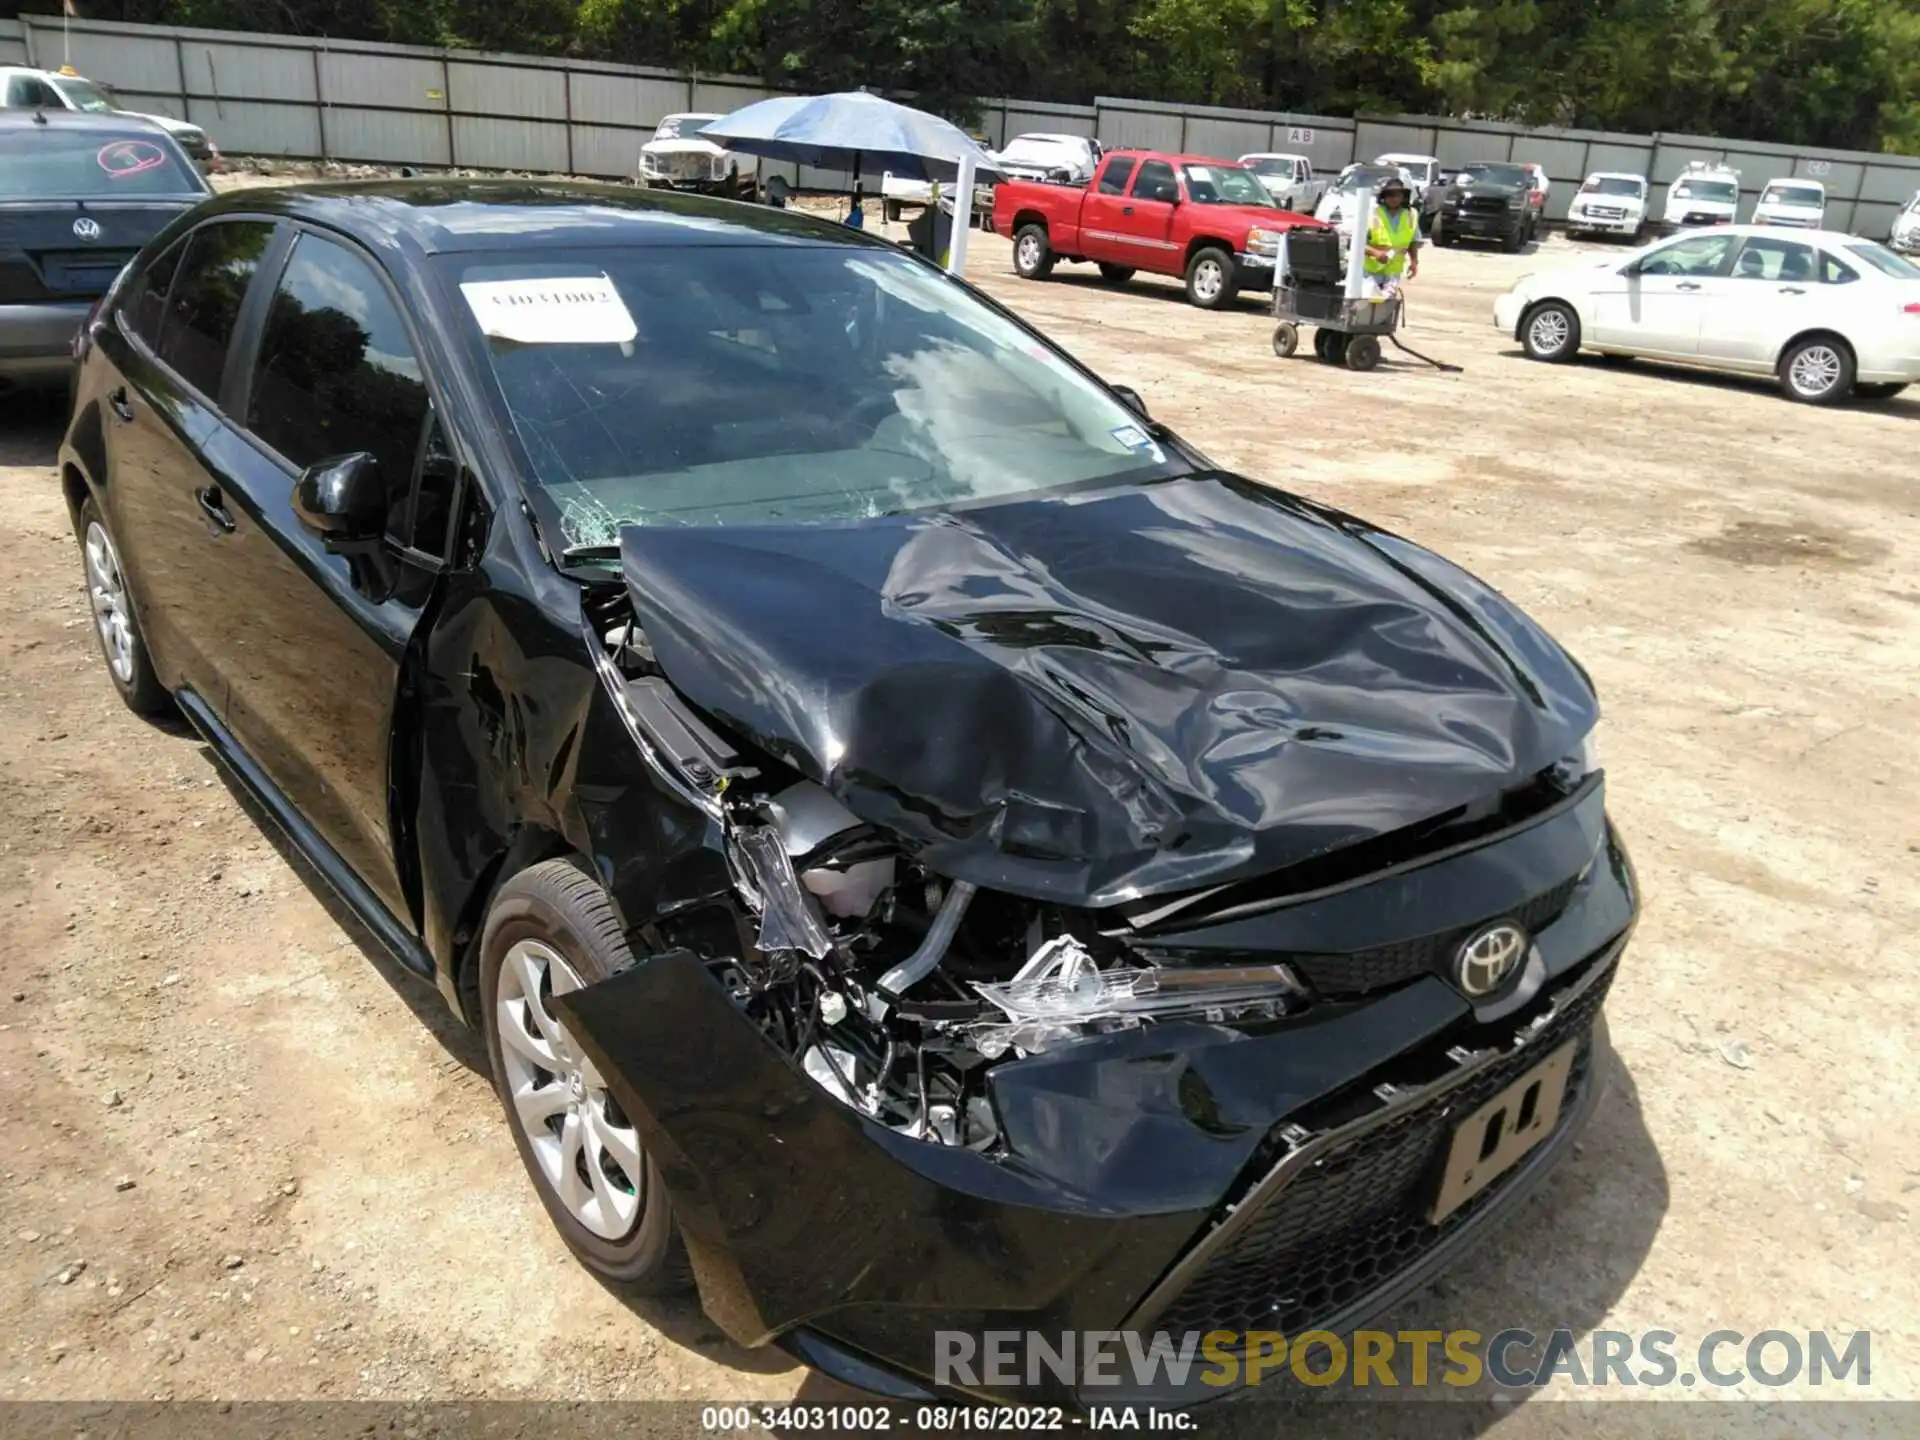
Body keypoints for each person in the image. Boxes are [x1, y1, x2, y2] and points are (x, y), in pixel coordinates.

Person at [1363, 175, 1421, 298]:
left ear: (1403, 197)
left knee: (1386, 306)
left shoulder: (1411, 215)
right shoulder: (1372, 214)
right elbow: (1357, 244)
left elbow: (1413, 241)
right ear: (1383, 197)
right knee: (1368, 303)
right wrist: (1375, 253)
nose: (1393, 198)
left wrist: (1414, 262)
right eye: (1390, 195)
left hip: (1393, 273)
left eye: (1397, 195)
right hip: (1370, 272)